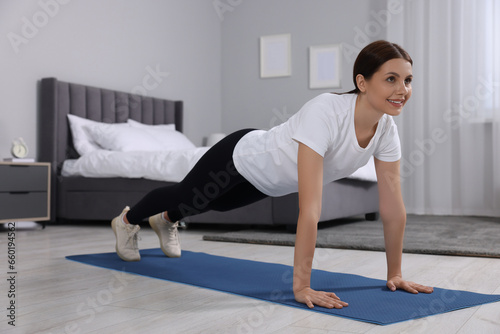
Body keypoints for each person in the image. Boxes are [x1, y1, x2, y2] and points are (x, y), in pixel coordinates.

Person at [111, 40, 434, 309]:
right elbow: (309, 208)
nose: (402, 89)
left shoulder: (387, 131)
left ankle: (166, 219)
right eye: (391, 79)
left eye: (407, 80)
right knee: (188, 196)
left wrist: (395, 273)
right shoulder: (326, 111)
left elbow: (393, 208)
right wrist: (302, 287)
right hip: (239, 156)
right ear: (362, 82)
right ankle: (126, 222)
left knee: (214, 205)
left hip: (268, 181)